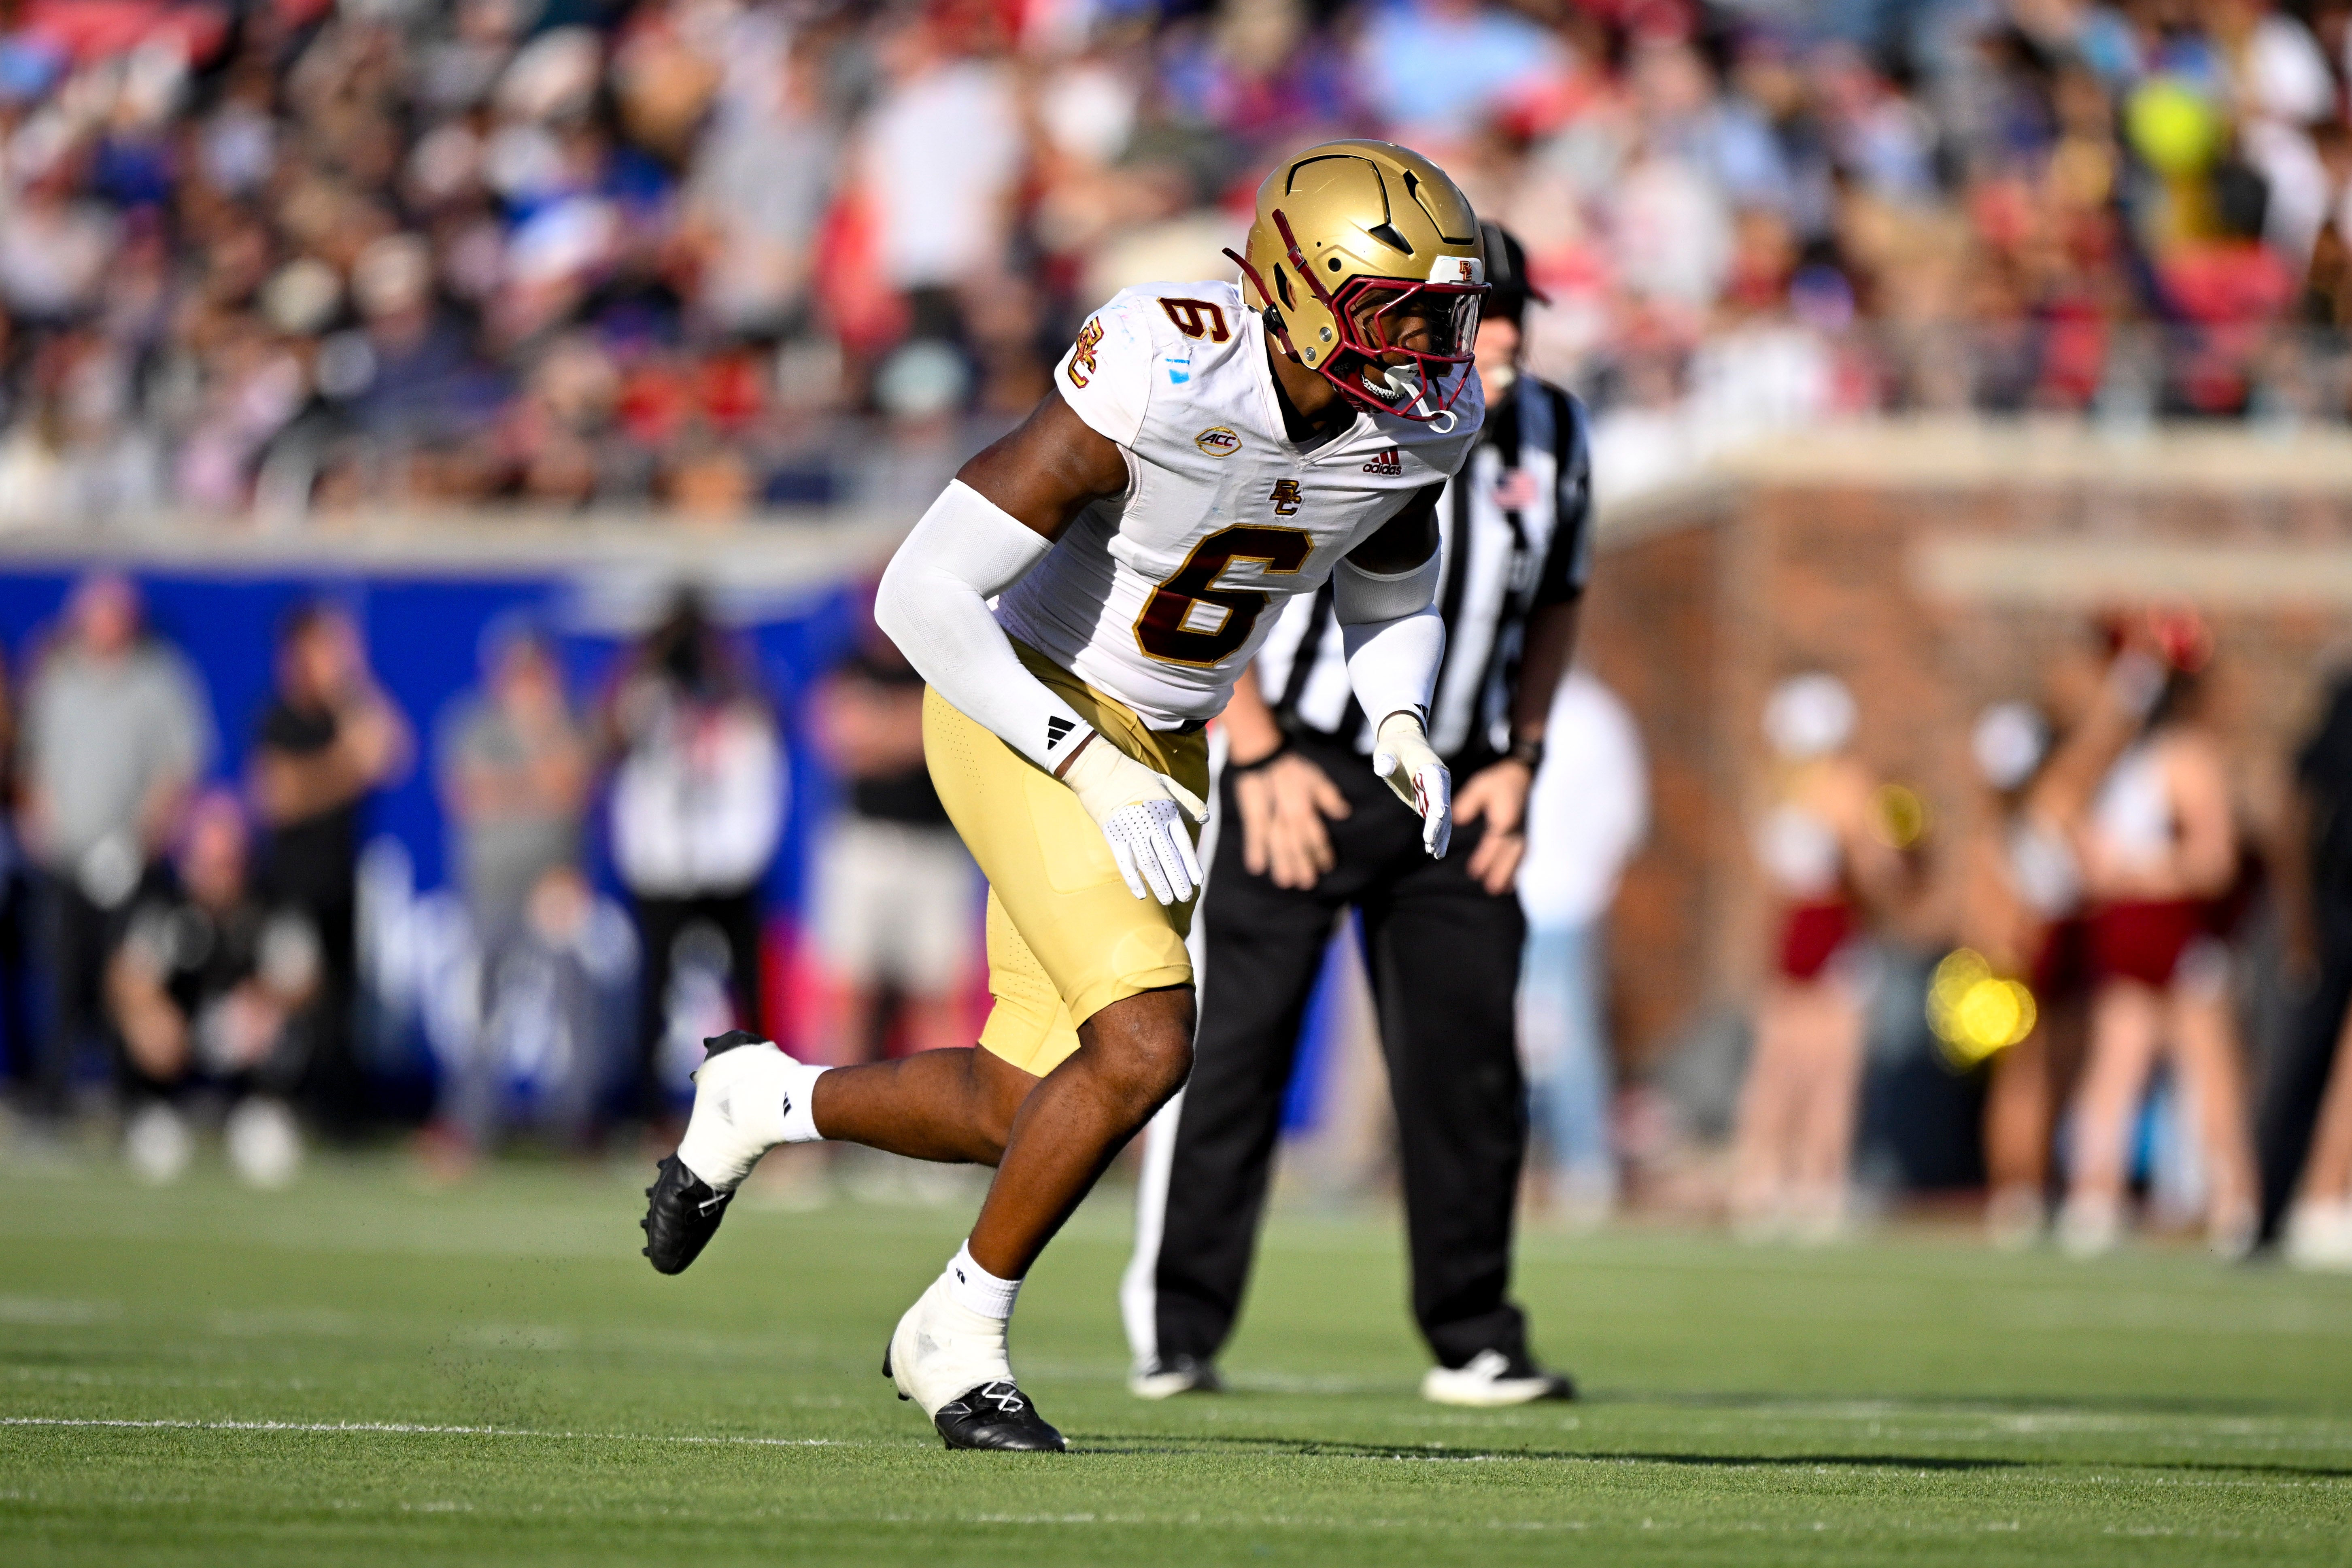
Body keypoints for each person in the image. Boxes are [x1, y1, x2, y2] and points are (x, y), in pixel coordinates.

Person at [641, 140, 1487, 1451]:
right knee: (1149, 1040)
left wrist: (1400, 713)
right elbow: (920, 593)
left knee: (1013, 1099)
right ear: (1304, 292)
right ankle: (957, 1334)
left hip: (1171, 739)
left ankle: (764, 1098)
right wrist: (1080, 754)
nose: (1435, 340)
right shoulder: (1165, 367)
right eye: (1403, 308)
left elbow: (1389, 571)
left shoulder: (1419, 420)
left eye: (1448, 307)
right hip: (1020, 701)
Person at [1121, 222, 1592, 1407]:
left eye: (1510, 309)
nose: (1500, 337)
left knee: (1467, 1063)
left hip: (1457, 776)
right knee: (1231, 1047)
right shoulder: (1357, 413)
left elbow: (1559, 603)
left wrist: (1521, 759)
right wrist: (1263, 750)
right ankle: (1175, 1324)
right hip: (1311, 764)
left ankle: (1474, 1334)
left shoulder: (1553, 431)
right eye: (1472, 315)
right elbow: (1232, 572)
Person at [2059, 620, 2258, 1257]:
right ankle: (2228, 1202)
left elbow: (2208, 858)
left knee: (2144, 1066)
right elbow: (2215, 861)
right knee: (2185, 1068)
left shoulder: (2135, 763)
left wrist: (2119, 868)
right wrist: (2135, 870)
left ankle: (2101, 1201)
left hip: (2141, 927)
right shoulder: (2154, 760)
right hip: (2157, 928)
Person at [16, 575, 215, 1121]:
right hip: (66, 858)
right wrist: (39, 822)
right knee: (59, 980)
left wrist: (142, 840)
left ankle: (134, 1104)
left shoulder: (157, 680)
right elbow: (32, 759)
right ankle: (52, 1103)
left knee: (132, 980)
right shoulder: (58, 678)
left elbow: (179, 769)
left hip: (132, 860)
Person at [1728, 673, 1911, 1241]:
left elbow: (1769, 875)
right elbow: (1873, 869)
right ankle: (1818, 1184)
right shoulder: (1844, 784)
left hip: (1791, 927)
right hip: (1832, 926)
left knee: (1777, 1063)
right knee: (1831, 1069)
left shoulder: (1773, 789)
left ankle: (1759, 1179)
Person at [603, 589, 784, 1125]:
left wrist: (727, 662)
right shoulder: (647, 690)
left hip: (730, 857)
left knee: (746, 991)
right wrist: (648, 660)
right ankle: (648, 1113)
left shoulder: (737, 687)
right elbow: (609, 733)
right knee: (655, 989)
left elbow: (778, 713)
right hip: (662, 861)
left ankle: (763, 1106)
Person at [248, 602, 412, 1137]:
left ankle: (338, 1120)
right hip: (293, 884)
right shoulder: (279, 717)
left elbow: (393, 752)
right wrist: (344, 766)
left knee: (340, 1006)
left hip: (342, 879)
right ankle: (276, 1105)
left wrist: (354, 687)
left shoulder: (346, 711)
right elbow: (278, 795)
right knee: (293, 994)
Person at [106, 790, 318, 1187]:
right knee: (141, 1025)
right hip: (182, 1042)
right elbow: (126, 974)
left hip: (243, 1042)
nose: (217, 877)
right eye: (207, 865)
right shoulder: (166, 907)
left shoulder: (268, 908)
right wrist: (149, 1011)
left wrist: (267, 999)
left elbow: (305, 978)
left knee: (275, 1028)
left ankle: (260, 1114)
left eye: (227, 865)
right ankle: (158, 1113)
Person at [806, 617, 979, 1066]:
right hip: (865, 849)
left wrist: (883, 726)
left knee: (936, 995)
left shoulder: (945, 669)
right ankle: (826, 1121)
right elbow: (837, 734)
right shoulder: (851, 664)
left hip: (938, 851)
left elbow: (956, 736)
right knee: (848, 996)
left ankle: (949, 1127)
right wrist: (915, 723)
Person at [1517, 667, 1646, 1225]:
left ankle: (1583, 1163)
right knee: (1503, 1038)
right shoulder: (1501, 695)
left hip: (1563, 902)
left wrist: (1594, 880)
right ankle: (1509, 1163)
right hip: (1503, 894)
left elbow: (1621, 809)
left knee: (1568, 1041)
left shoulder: (1594, 715)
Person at [2260, 667, 2352, 1267]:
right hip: (2336, 908)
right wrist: (2299, 922)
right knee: (2302, 1064)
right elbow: (2291, 814)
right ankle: (2273, 1212)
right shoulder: (2344, 707)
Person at [437, 622, 591, 949]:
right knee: (487, 978)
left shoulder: (570, 722)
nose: (529, 683)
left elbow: (569, 790)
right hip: (489, 884)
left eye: (537, 672)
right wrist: (535, 783)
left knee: (561, 980)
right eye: (520, 672)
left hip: (554, 882)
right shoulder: (473, 724)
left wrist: (510, 777)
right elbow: (469, 796)